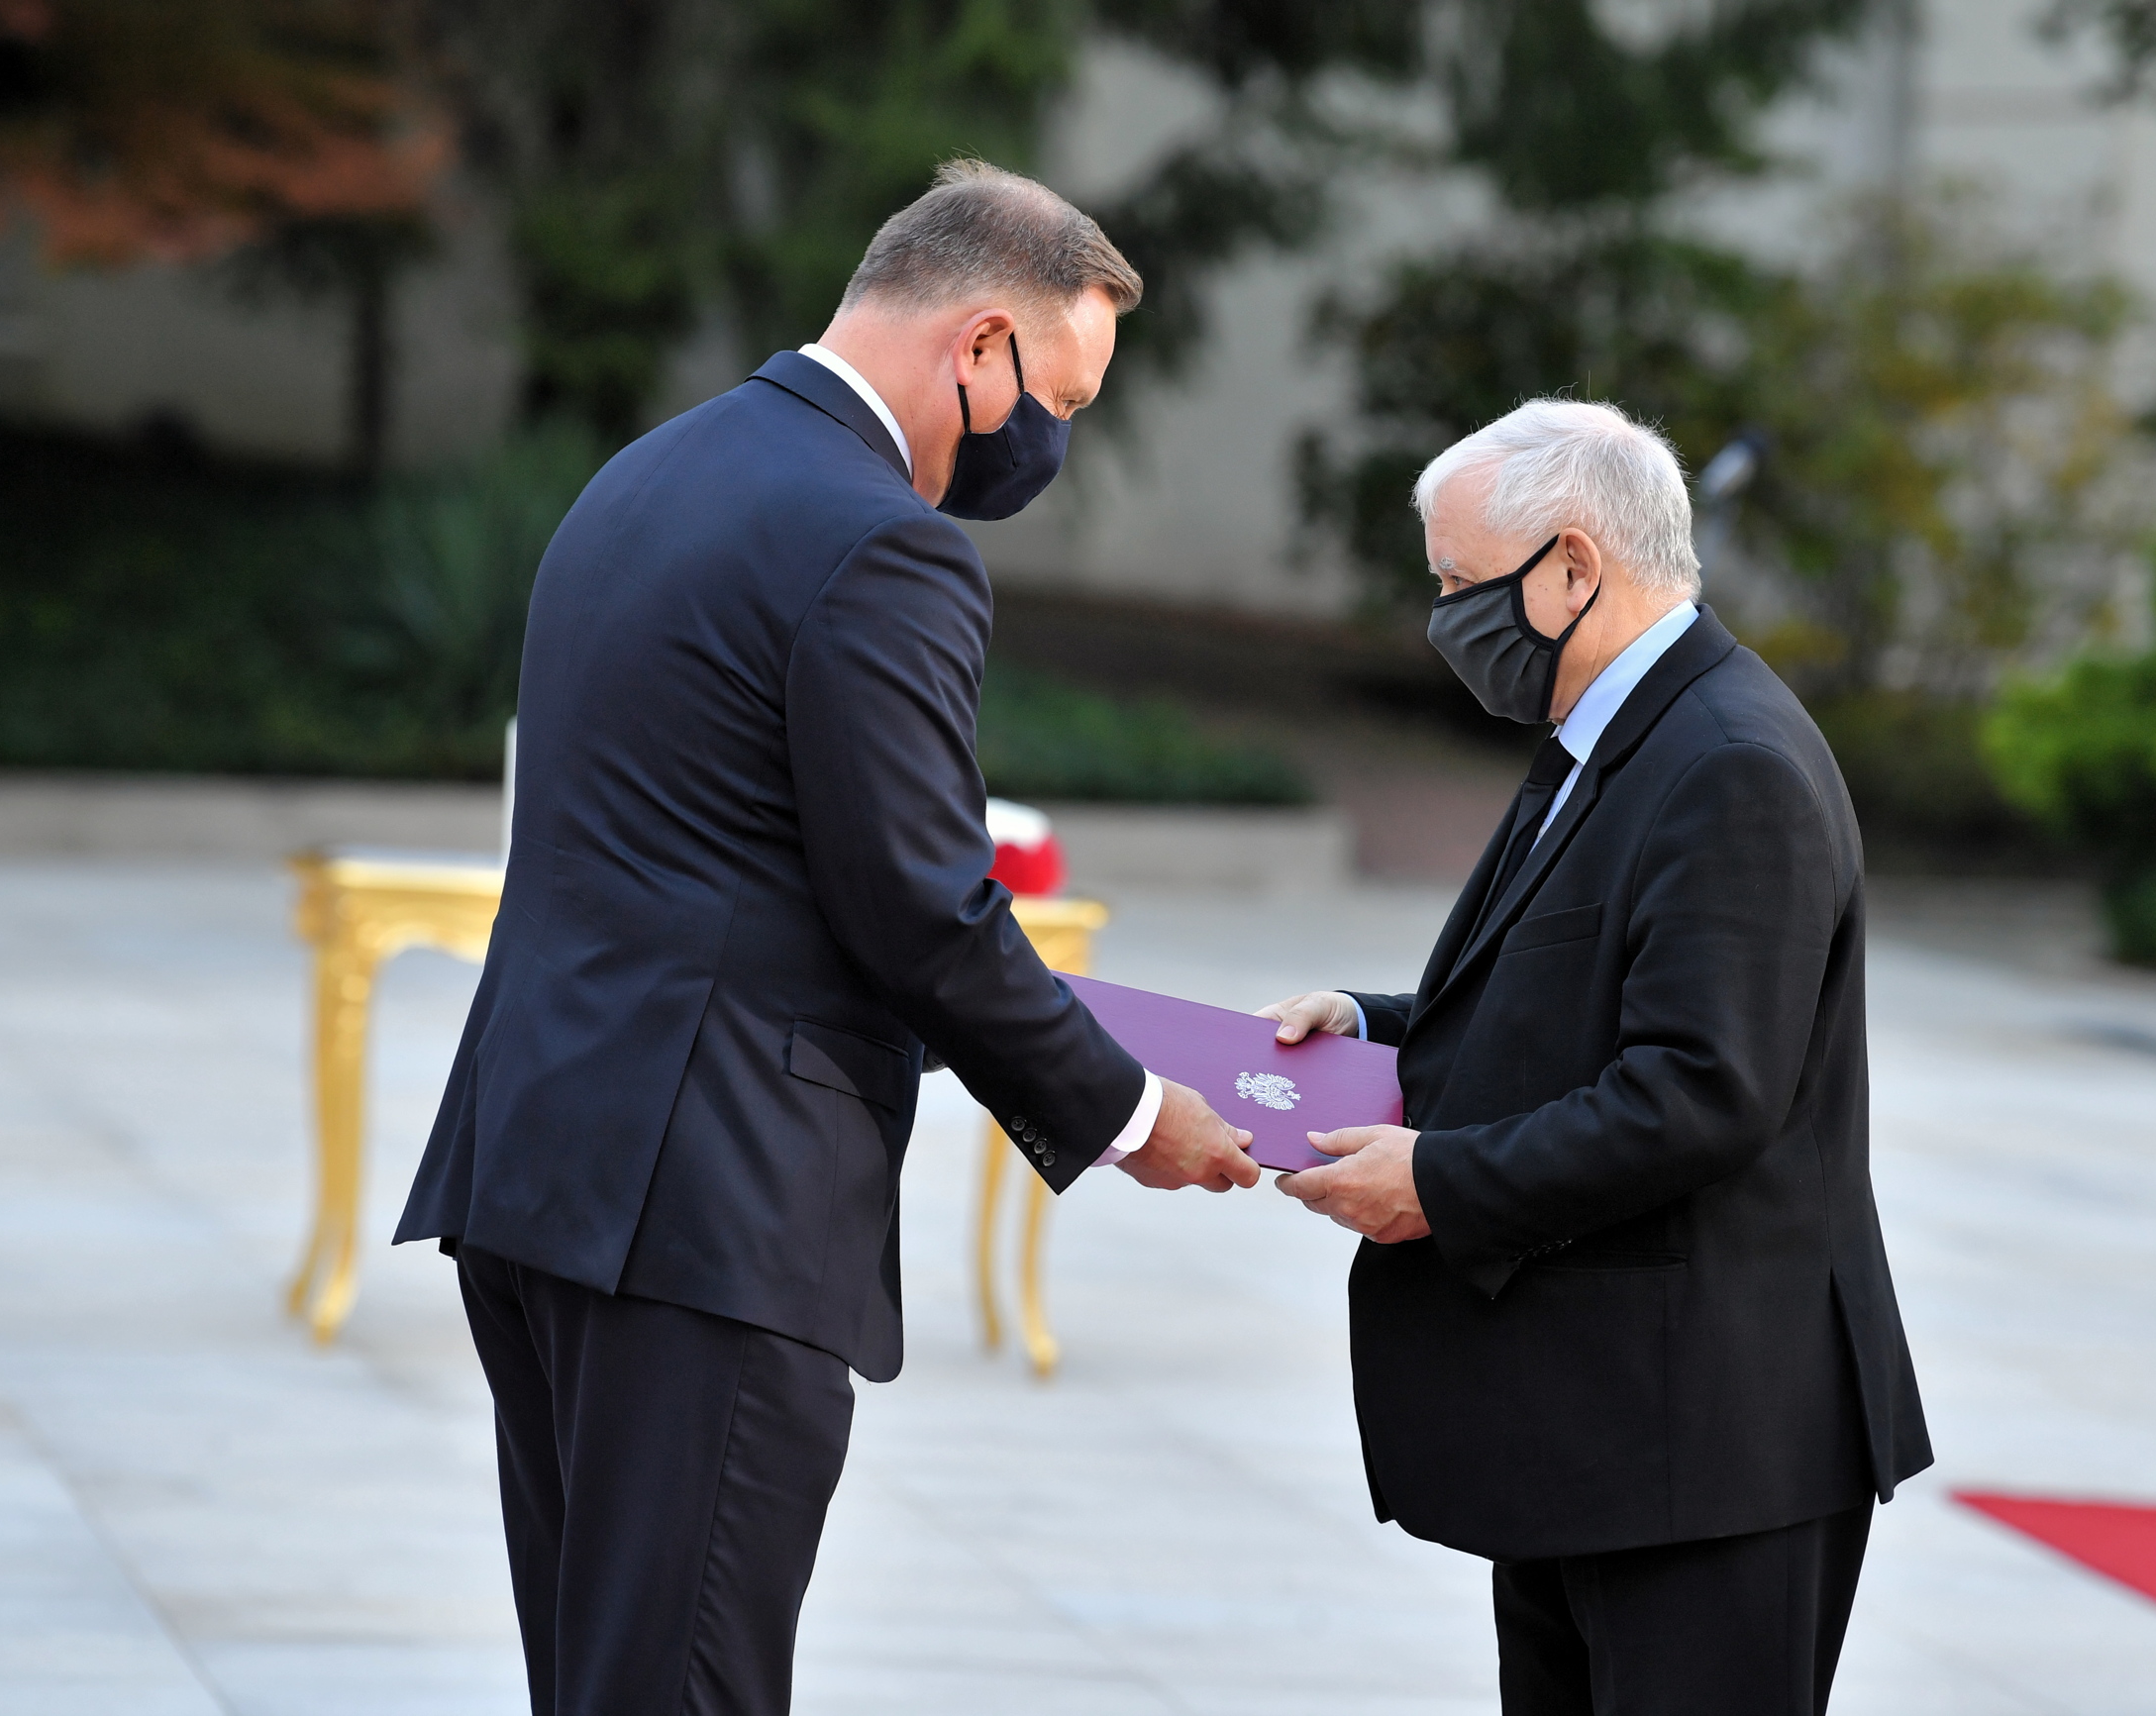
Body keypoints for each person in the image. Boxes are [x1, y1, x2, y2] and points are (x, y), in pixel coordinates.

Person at [394, 160, 1261, 1716]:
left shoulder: (648, 473)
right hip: (705, 1209)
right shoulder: (885, 543)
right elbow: (923, 909)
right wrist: (1135, 1110)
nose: (1052, 442)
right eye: (1056, 397)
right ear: (978, 346)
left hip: (542, 1171)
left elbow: (749, 853)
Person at [1259, 399, 1931, 1715]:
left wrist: (1441, 1181)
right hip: (1603, 1430)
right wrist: (1375, 1023)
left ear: (1573, 565)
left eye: (1460, 586)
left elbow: (1702, 1088)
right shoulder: (1613, 734)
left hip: (1707, 1448)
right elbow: (1561, 990)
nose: (1445, 617)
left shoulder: (1731, 760)